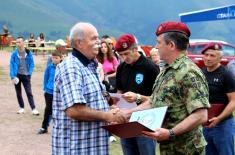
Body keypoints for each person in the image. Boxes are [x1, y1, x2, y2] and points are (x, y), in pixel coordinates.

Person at [127, 22, 210, 155]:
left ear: (171, 45)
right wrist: (128, 113)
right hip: (169, 148)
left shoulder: (189, 72)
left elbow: (201, 115)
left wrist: (170, 133)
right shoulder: (167, 70)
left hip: (186, 149)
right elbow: (154, 101)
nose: (156, 47)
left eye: (159, 42)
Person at [52, 22, 126, 155]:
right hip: (76, 149)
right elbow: (74, 110)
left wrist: (109, 108)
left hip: (91, 147)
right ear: (79, 42)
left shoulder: (89, 66)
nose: (99, 42)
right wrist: (107, 116)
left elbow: (91, 102)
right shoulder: (71, 67)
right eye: (94, 38)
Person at [115, 34, 160, 155]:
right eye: (121, 55)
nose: (124, 57)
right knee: (128, 151)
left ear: (135, 49)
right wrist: (115, 104)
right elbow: (119, 91)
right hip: (126, 119)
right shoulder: (121, 68)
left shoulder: (151, 68)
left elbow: (159, 98)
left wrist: (138, 97)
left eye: (126, 53)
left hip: (146, 119)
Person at [201, 43, 235, 155]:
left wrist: (219, 119)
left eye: (212, 56)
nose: (208, 58)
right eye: (206, 55)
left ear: (220, 58)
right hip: (206, 124)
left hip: (223, 124)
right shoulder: (201, 73)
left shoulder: (226, 75)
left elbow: (233, 101)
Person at [9, 36, 40, 115]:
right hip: (17, 75)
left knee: (29, 92)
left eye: (19, 42)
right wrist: (12, 76)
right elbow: (12, 65)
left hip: (26, 75)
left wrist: (29, 73)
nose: (18, 43)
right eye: (17, 42)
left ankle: (33, 109)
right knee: (18, 93)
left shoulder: (28, 52)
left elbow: (32, 64)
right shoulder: (14, 54)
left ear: (23, 43)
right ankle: (22, 108)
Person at [38, 51, 63, 134]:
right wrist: (45, 88)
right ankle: (44, 127)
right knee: (48, 109)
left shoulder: (63, 67)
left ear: (61, 58)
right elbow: (46, 77)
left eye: (56, 58)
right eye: (53, 58)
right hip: (49, 92)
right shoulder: (49, 67)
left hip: (59, 93)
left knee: (59, 110)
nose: (54, 59)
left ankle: (59, 127)